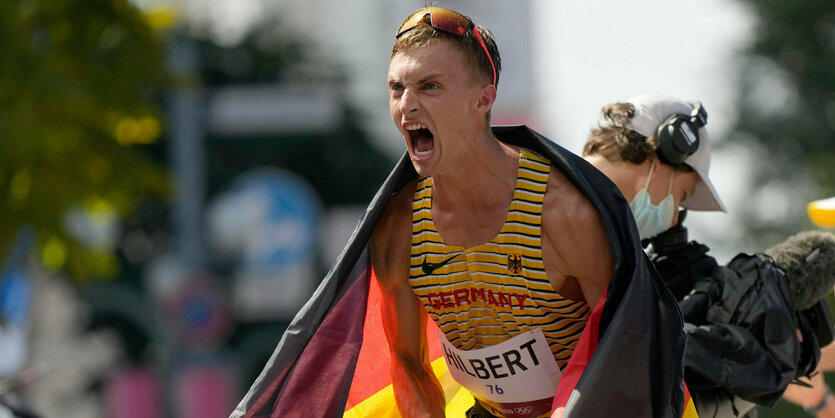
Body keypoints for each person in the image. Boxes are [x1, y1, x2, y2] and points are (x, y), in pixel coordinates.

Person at [371, 8, 685, 418]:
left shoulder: (562, 214)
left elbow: (628, 353)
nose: (406, 106)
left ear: (482, 99)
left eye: (429, 86)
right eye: (397, 88)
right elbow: (408, 364)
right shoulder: (399, 226)